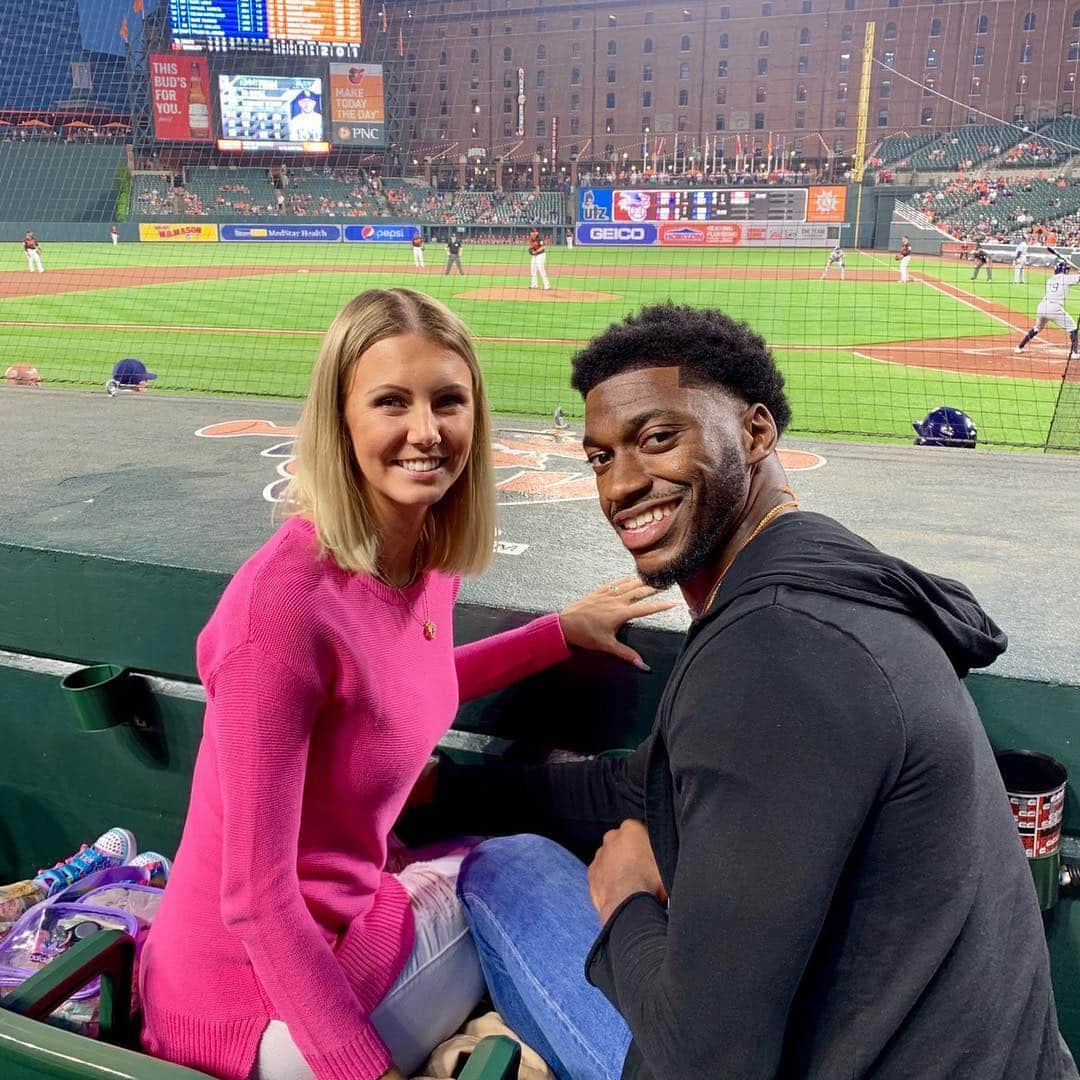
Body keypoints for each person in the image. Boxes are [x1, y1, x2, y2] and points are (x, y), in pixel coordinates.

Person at [440, 303, 1078, 1080]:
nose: (622, 485)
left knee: (503, 872)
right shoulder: (824, 579)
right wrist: (449, 791)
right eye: (600, 457)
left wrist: (625, 901)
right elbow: (642, 784)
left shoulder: (775, 656)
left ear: (756, 432)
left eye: (658, 437)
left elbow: (706, 1062)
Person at [138, 288, 672, 1080]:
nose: (426, 432)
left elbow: (392, 694)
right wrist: (366, 1073)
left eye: (448, 402)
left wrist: (555, 634)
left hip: (333, 934)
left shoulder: (419, 559)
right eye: (392, 401)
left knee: (495, 864)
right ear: (341, 421)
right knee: (516, 868)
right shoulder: (280, 607)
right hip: (260, 1013)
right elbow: (254, 895)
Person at [1016, 259, 1080, 357]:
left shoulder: (1050, 280)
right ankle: (1075, 353)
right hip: (1054, 309)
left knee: (1037, 328)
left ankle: (1019, 347)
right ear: (1065, 271)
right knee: (1073, 328)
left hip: (1042, 307)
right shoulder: (1067, 279)